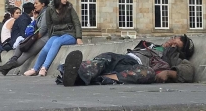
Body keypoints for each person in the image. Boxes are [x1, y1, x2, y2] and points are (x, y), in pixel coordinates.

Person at [61, 35, 196, 87]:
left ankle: (81, 77)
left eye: (174, 44)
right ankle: (74, 71)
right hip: (124, 58)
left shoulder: (170, 55)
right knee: (105, 58)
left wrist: (169, 73)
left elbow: (189, 70)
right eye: (173, 39)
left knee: (147, 73)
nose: (170, 42)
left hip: (137, 67)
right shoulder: (152, 45)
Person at [23, 0, 82, 76]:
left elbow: (76, 22)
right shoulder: (50, 10)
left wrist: (78, 37)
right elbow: (49, 24)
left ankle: (44, 68)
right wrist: (51, 35)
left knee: (57, 42)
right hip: (56, 33)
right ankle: (35, 69)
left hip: (69, 33)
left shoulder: (69, 8)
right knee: (46, 47)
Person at [0, 0, 50, 75]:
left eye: (36, 3)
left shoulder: (46, 13)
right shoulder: (41, 14)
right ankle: (9, 63)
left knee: (26, 53)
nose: (34, 5)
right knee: (21, 45)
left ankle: (6, 68)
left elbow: (43, 28)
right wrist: (35, 19)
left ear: (43, 4)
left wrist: (33, 39)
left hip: (44, 38)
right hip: (37, 36)